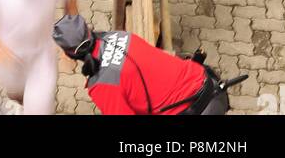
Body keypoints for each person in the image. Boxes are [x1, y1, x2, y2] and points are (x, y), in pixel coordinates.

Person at [53, 13, 236, 115]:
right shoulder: (119, 36)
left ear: (70, 54)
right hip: (207, 83)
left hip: (196, 109)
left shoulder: (102, 84)